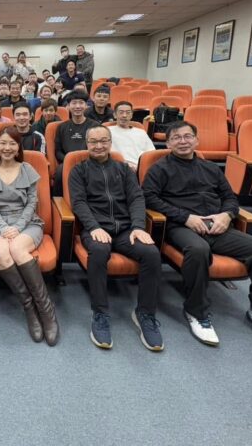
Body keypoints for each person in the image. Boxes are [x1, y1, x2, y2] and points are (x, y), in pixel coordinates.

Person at [142, 121, 252, 351]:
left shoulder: (211, 168)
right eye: (176, 138)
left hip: (216, 225)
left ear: (196, 140)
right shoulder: (159, 169)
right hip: (180, 226)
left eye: (188, 136)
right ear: (168, 143)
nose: (183, 141)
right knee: (198, 250)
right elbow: (150, 198)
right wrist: (185, 217)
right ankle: (197, 312)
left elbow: (230, 198)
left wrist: (227, 215)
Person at [69, 126, 163, 352]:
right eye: (93, 142)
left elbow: (136, 198)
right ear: (87, 144)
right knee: (99, 251)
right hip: (95, 228)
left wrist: (138, 227)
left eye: (103, 141)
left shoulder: (124, 169)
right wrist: (93, 226)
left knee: (151, 253)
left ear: (111, 143)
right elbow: (78, 202)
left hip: (125, 229)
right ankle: (100, 313)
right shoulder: (79, 171)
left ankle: (145, 314)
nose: (98, 146)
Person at [0, 126, 58, 345]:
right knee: (3, 254)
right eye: (3, 143)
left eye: (12, 143)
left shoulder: (27, 168)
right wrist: (3, 227)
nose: (7, 147)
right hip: (1, 224)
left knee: (16, 248)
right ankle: (29, 307)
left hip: (28, 223)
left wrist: (18, 226)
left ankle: (46, 310)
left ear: (18, 147)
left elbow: (33, 202)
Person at [53, 91, 99, 194]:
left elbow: (97, 148)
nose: (77, 106)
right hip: (67, 162)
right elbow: (58, 151)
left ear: (86, 105)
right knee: (60, 171)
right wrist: (69, 160)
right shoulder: (62, 127)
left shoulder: (95, 126)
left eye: (81, 103)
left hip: (90, 162)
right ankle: (57, 200)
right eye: (74, 103)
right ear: (68, 106)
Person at [109, 101, 154, 171]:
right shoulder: (107, 131)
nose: (124, 115)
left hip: (141, 168)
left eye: (128, 112)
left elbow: (151, 153)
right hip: (118, 168)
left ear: (131, 115)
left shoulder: (141, 132)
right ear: (115, 115)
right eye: (121, 112)